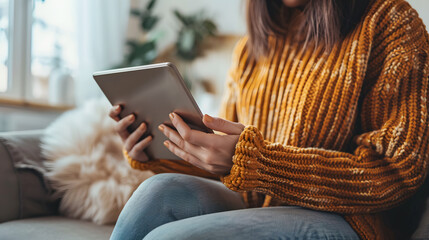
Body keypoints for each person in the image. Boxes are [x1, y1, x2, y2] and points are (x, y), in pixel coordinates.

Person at [109, 0, 429, 239]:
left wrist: (259, 163)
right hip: (259, 200)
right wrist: (157, 146)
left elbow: (396, 171)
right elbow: (227, 161)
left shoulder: (390, 22)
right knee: (155, 191)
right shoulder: (251, 48)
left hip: (354, 220)